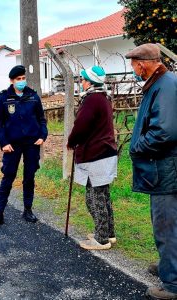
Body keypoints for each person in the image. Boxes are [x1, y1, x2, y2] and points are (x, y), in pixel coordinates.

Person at [126, 43, 177, 300]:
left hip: (166, 169)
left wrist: (137, 147)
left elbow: (165, 131)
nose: (134, 70)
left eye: (134, 65)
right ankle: (170, 265)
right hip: (167, 167)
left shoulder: (165, 85)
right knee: (170, 223)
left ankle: (172, 284)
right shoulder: (161, 83)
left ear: (143, 63)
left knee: (165, 225)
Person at [67, 65, 118, 250]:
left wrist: (71, 141)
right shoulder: (103, 96)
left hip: (96, 153)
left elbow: (81, 125)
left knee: (93, 197)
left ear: (89, 81)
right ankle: (108, 233)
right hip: (106, 152)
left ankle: (101, 238)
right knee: (103, 195)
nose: (81, 82)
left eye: (82, 79)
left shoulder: (92, 99)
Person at [0, 65, 48, 225]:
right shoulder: (4, 98)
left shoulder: (33, 96)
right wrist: (3, 142)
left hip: (31, 143)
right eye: (18, 79)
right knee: (8, 177)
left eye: (23, 78)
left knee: (29, 177)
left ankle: (28, 210)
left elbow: (41, 119)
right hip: (12, 145)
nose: (21, 81)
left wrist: (42, 135)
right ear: (12, 81)